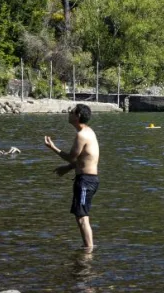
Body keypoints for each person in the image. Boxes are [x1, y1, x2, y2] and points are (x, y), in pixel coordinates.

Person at [44, 104, 100, 251]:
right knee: (80, 215)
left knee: (82, 216)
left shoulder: (81, 135)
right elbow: (83, 159)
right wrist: (68, 169)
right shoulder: (88, 132)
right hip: (88, 179)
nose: (69, 113)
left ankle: (88, 250)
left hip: (86, 181)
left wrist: (53, 148)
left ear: (78, 116)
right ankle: (87, 247)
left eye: (72, 112)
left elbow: (70, 157)